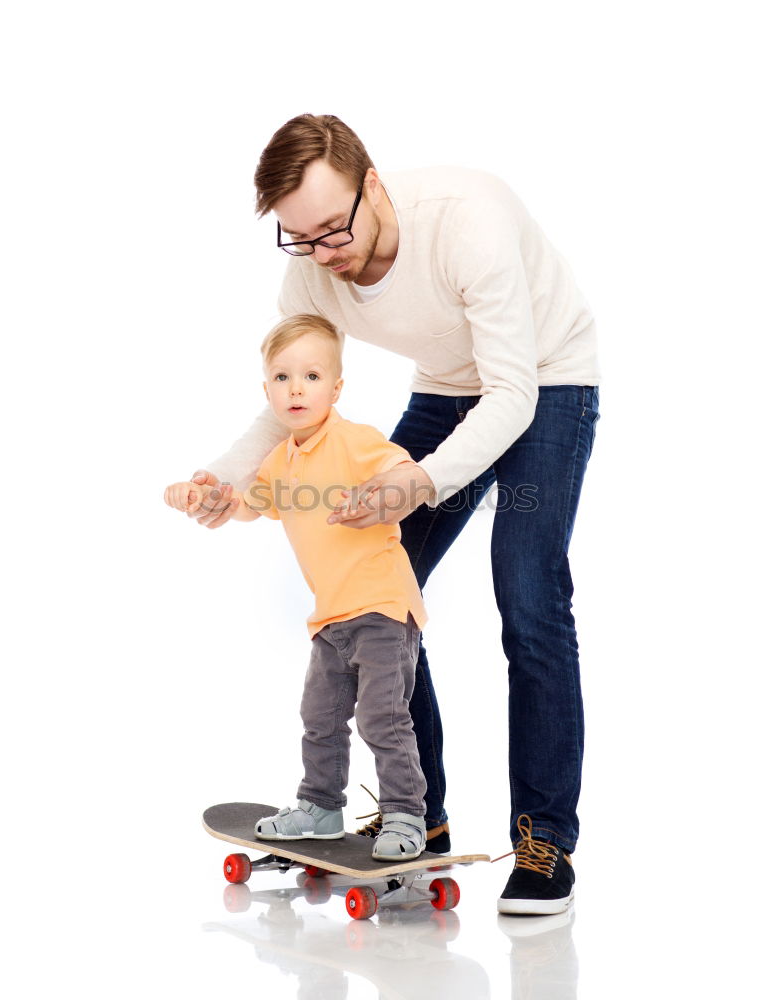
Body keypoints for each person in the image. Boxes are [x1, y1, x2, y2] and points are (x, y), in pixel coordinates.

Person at [187, 115, 601, 914]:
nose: (325, 252)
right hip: (448, 388)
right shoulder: (311, 267)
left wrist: (418, 480)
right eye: (300, 237)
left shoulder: (465, 220)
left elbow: (511, 394)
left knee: (529, 600)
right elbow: (285, 403)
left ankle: (545, 841)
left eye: (335, 227)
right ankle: (420, 816)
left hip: (545, 380)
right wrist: (224, 476)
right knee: (381, 595)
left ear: (373, 185)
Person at [165, 314, 430, 860]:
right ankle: (321, 806)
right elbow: (244, 506)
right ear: (267, 392)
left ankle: (406, 816)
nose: (296, 389)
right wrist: (199, 497)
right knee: (321, 718)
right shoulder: (279, 462)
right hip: (329, 618)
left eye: (311, 377)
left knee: (384, 718)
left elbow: (404, 470)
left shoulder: (355, 441)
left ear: (336, 387)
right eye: (282, 378)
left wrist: (386, 490)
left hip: (382, 606)